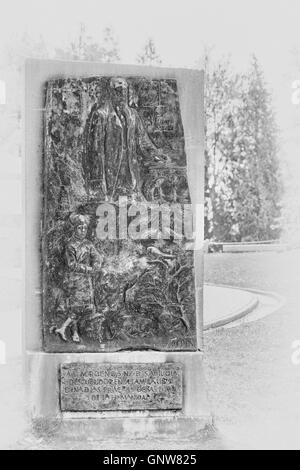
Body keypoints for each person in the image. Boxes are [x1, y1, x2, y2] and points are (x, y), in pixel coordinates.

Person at [84, 77, 168, 201]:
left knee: (130, 210)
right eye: (118, 91)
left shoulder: (133, 115)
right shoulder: (101, 115)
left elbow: (143, 140)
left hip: (130, 174)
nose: (122, 95)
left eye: (124, 91)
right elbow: (95, 152)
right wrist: (97, 182)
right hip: (110, 177)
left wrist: (156, 154)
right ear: (111, 92)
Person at [54, 213, 102, 343]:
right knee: (76, 307)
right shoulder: (70, 245)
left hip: (86, 281)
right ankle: (66, 329)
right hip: (74, 280)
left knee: (84, 307)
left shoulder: (88, 244)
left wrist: (97, 264)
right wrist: (88, 269)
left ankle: (73, 331)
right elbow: (71, 264)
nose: (82, 230)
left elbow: (96, 256)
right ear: (75, 229)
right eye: (80, 228)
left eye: (85, 228)